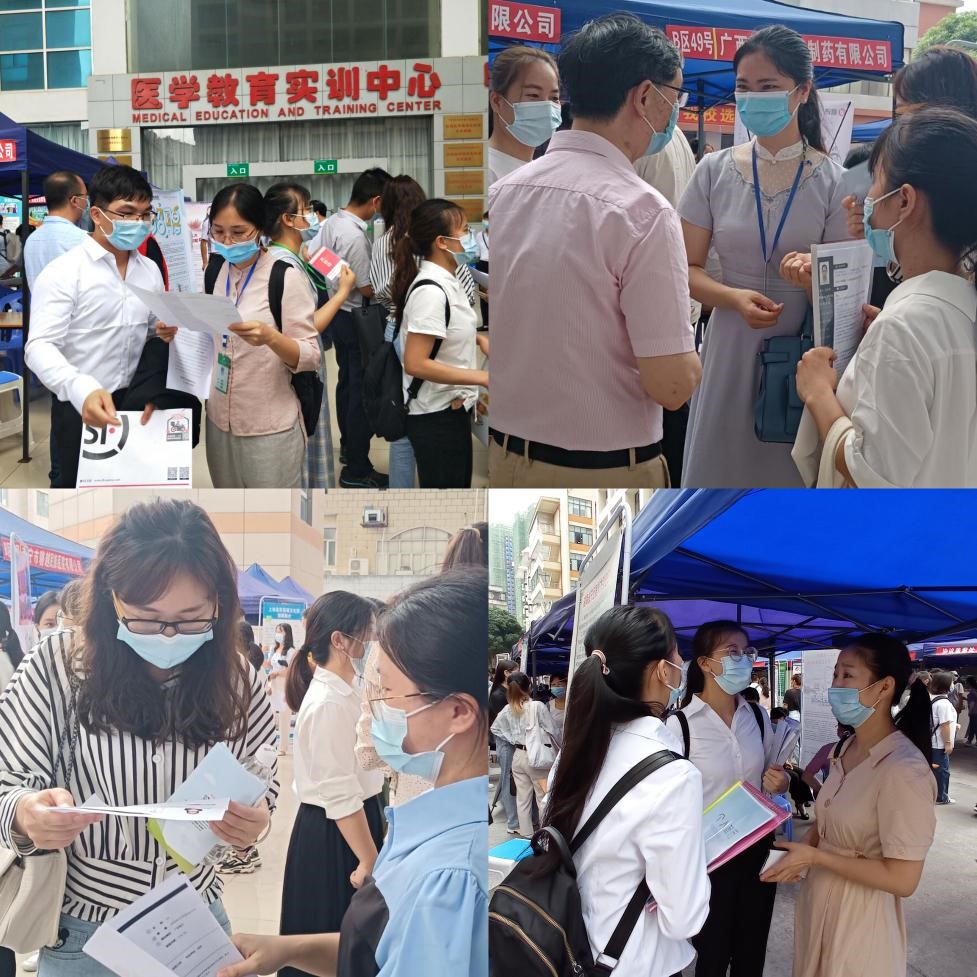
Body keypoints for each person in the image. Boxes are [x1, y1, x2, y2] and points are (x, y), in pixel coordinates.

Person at [0, 499, 278, 977]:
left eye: (191, 618)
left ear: (219, 604)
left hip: (196, 922)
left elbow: (261, 778)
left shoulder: (236, 679)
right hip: (86, 932)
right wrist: (27, 814)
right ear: (110, 599)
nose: (168, 635)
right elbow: (8, 781)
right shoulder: (58, 666)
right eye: (146, 618)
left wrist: (253, 825)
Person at [218, 569, 488, 977]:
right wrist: (288, 950)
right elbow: (381, 945)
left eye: (386, 692)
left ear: (458, 711)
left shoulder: (449, 876)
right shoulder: (428, 833)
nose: (375, 708)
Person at [489, 13, 701, 489]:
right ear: (644, 97)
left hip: (507, 458)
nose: (674, 112)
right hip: (603, 471)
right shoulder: (643, 211)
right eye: (674, 97)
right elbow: (671, 386)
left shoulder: (504, 193)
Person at [680, 25, 849, 488]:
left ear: (802, 91)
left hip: (801, 349)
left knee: (789, 476)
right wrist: (732, 298)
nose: (754, 98)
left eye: (768, 86)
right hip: (730, 342)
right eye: (744, 87)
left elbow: (844, 288)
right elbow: (685, 268)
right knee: (718, 472)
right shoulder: (712, 170)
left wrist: (814, 278)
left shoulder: (834, 180)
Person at [793, 108, 977, 487]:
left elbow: (872, 473)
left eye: (875, 182)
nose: (866, 201)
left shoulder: (904, 328)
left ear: (905, 200)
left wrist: (818, 392)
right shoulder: (954, 310)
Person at [538, 605, 709, 976]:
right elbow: (684, 918)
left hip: (568, 949)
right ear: (663, 670)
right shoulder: (673, 775)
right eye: (678, 654)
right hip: (630, 963)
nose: (681, 664)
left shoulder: (576, 751)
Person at [761, 635, 936, 977]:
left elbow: (903, 880)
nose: (835, 686)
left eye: (848, 675)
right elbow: (829, 820)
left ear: (884, 687)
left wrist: (815, 858)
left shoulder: (904, 769)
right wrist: (801, 852)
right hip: (817, 903)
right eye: (835, 674)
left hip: (861, 920)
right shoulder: (844, 748)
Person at [25, 165, 168, 488]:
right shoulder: (65, 272)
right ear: (96, 214)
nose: (138, 223)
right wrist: (80, 388)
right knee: (75, 492)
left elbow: (151, 333)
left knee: (133, 493)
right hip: (80, 404)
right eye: (126, 213)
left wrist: (165, 332)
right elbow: (39, 346)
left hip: (136, 405)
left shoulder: (149, 270)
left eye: (145, 214)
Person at [665, 621, 789, 977]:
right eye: (733, 652)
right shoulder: (679, 726)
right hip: (709, 856)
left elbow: (770, 778)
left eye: (747, 652)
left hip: (757, 848)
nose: (744, 660)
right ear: (705, 663)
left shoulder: (758, 717)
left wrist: (781, 782)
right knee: (712, 953)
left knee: (752, 951)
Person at [279, 591, 382, 977]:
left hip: (354, 823)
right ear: (340, 640)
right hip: (336, 832)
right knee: (332, 946)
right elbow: (339, 793)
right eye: (368, 635)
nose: (372, 644)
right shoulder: (328, 702)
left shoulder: (349, 690)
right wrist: (368, 858)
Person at [201, 183, 320, 488]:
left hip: (269, 427)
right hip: (219, 421)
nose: (227, 241)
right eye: (218, 232)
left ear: (260, 229)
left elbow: (310, 355)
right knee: (230, 509)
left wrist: (271, 338)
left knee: (272, 511)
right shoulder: (215, 272)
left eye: (239, 232)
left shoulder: (284, 276)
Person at [263, 182, 356, 489]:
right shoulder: (287, 266)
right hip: (300, 365)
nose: (313, 217)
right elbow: (310, 324)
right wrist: (342, 293)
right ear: (288, 219)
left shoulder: (278, 256)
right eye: (306, 211)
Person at [391, 199, 488, 488]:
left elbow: (445, 328)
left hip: (450, 408)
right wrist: (482, 377)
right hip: (435, 416)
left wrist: (477, 338)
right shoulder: (431, 292)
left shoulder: (448, 279)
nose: (471, 237)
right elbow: (415, 362)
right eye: (465, 230)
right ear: (442, 242)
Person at [310, 168, 392, 489]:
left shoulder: (332, 222)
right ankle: (357, 468)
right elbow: (368, 288)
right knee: (361, 391)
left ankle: (347, 446)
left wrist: (336, 280)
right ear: (376, 201)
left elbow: (312, 254)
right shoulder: (356, 237)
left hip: (339, 315)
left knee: (347, 385)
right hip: (359, 318)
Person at [490, 671, 556, 837]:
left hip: (518, 756)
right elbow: (553, 730)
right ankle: (544, 833)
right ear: (529, 687)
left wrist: (512, 739)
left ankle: (526, 833)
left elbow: (495, 728)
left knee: (522, 798)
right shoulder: (537, 706)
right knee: (542, 797)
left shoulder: (507, 709)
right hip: (537, 758)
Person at [488, 45, 562, 186]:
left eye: (554, 98)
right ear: (497, 101)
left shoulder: (545, 173)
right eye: (533, 95)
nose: (547, 107)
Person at [23, 172, 88, 289]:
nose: (86, 201)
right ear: (75, 200)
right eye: (85, 196)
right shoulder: (84, 239)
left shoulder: (31, 240)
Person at [488, 659, 519, 832]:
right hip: (505, 742)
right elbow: (506, 722)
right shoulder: (498, 695)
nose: (518, 672)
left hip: (513, 741)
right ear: (506, 673)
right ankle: (512, 822)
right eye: (515, 670)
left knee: (509, 779)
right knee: (507, 781)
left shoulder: (507, 691)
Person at [802, 722, 854, 797]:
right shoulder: (866, 752)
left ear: (839, 729)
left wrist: (824, 792)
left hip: (831, 799)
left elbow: (806, 776)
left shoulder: (828, 749)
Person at [268, 622, 298, 756]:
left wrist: (278, 673)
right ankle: (270, 744)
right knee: (271, 716)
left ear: (287, 634)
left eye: (280, 631)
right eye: (277, 631)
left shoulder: (291, 651)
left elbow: (291, 670)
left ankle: (283, 747)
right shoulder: (274, 649)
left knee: (284, 717)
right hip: (272, 684)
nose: (278, 634)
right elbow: (269, 665)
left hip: (284, 684)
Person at [928, 670, 957, 804]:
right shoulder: (944, 703)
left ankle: (936, 795)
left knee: (935, 771)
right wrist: (948, 743)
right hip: (939, 744)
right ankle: (941, 797)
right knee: (942, 772)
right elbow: (944, 725)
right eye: (952, 682)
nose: (953, 684)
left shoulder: (933, 699)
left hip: (932, 742)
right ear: (946, 684)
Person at [547, 671, 567, 745]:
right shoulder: (548, 705)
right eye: (553, 685)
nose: (556, 687)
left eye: (559, 684)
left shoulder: (573, 704)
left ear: (566, 685)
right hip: (554, 745)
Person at [965, 675, 977, 746]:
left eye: (966, 682)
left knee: (974, 727)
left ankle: (970, 740)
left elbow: (972, 703)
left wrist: (970, 712)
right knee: (972, 726)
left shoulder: (972, 692)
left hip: (974, 712)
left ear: (969, 683)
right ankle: (969, 740)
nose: (965, 684)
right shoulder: (975, 691)